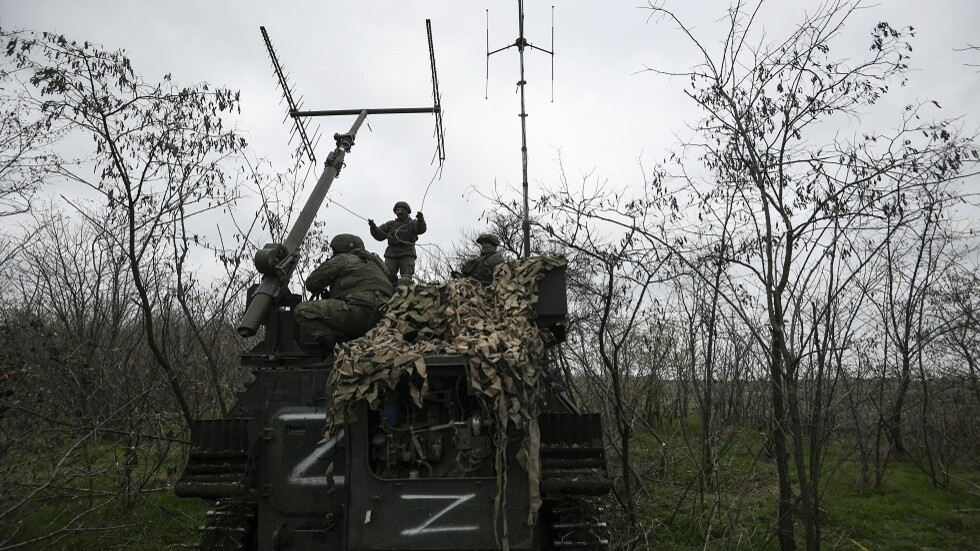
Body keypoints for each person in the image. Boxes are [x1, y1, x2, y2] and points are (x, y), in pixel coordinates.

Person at [294, 233, 394, 350]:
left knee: (302, 311)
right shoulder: (377, 265)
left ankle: (337, 349)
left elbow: (312, 283)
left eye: (334, 251)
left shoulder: (344, 259)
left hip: (359, 311)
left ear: (340, 249)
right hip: (385, 317)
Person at [369, 201, 426, 285]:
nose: (399, 212)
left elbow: (421, 229)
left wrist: (421, 220)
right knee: (387, 277)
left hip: (407, 253)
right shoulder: (390, 225)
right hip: (391, 254)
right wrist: (373, 228)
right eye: (397, 210)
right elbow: (379, 235)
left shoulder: (412, 223)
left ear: (407, 211)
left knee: (406, 278)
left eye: (402, 210)